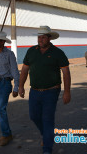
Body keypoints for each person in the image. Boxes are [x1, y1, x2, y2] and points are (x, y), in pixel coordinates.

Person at [19, 26, 71, 154]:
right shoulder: (31, 51)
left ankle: (47, 149)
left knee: (47, 119)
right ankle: (46, 134)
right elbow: (25, 70)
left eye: (43, 37)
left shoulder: (58, 53)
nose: (40, 39)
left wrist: (67, 92)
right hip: (35, 91)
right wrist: (20, 86)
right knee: (34, 116)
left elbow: (66, 73)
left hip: (51, 91)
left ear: (49, 38)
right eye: (39, 37)